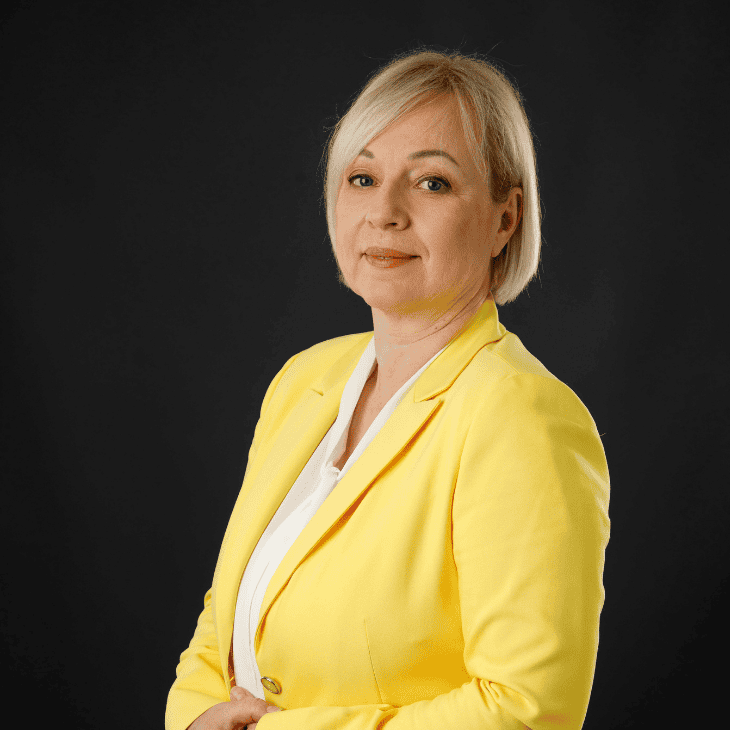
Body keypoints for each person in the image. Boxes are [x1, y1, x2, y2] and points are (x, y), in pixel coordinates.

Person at [165, 48, 610, 730]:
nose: (384, 212)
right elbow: (224, 621)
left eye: (432, 182)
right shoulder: (305, 381)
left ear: (505, 219)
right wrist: (194, 720)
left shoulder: (519, 415)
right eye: (362, 177)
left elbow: (528, 708)